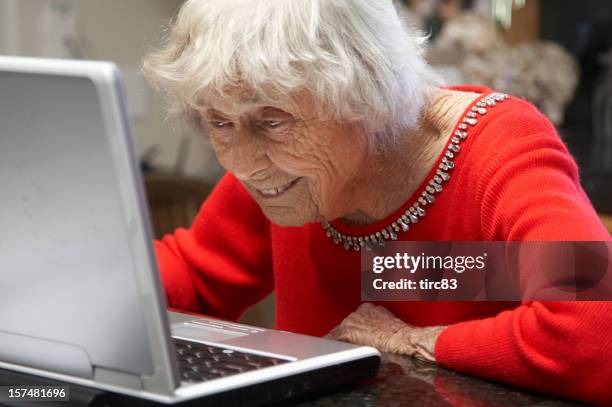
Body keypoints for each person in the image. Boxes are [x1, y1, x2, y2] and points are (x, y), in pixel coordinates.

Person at [142, 0, 612, 404]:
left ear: (367, 94)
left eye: (273, 121)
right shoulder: (283, 176)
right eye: (219, 123)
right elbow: (194, 275)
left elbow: (590, 330)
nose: (242, 165)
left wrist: (417, 341)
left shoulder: (498, 149)